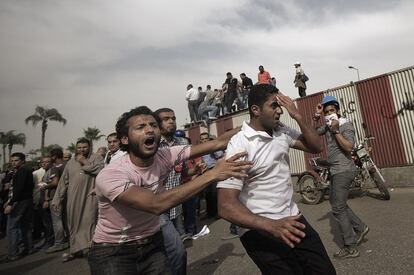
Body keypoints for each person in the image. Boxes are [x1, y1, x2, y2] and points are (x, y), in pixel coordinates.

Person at [88, 106, 251, 275]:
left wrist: (253, 122)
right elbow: (156, 204)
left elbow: (218, 142)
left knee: (178, 253)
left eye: (153, 125)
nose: (150, 129)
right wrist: (212, 174)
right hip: (114, 251)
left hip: (153, 243)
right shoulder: (112, 173)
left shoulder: (164, 155)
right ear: (124, 139)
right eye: (140, 127)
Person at [217, 84, 336, 274]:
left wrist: (297, 116)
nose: (280, 111)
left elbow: (315, 146)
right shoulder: (240, 144)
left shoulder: (281, 131)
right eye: (274, 106)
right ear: (256, 110)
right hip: (260, 230)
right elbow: (225, 206)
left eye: (280, 105)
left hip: (292, 219)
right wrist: (271, 226)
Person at [313, 95, 369, 259]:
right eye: (326, 111)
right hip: (335, 170)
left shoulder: (345, 124)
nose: (329, 113)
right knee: (337, 203)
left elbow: (349, 147)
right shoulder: (328, 125)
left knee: (337, 208)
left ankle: (351, 247)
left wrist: (336, 129)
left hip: (344, 170)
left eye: (332, 110)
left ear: (337, 110)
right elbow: (312, 133)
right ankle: (360, 227)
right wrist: (316, 117)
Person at [51, 138, 104, 262]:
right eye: (79, 147)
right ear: (76, 148)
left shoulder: (97, 158)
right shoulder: (70, 163)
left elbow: (101, 171)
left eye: (84, 147)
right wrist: (57, 199)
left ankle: (92, 250)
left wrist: (84, 161)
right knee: (73, 224)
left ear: (89, 147)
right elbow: (63, 182)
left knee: (89, 222)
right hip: (73, 199)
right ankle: (75, 250)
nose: (82, 150)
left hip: (90, 197)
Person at [155, 107, 189, 274]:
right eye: (166, 119)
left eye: (173, 118)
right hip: (157, 209)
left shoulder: (183, 144)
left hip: (175, 206)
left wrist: (198, 171)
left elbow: (183, 173)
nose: (171, 122)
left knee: (174, 253)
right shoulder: (152, 145)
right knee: (176, 251)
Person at [2, 153, 34, 262]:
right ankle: (29, 248)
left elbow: (19, 189)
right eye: (12, 161)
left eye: (16, 160)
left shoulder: (22, 171)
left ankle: (12, 254)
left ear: (22, 161)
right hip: (26, 200)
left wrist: (11, 203)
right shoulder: (23, 171)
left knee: (11, 227)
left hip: (21, 201)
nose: (13, 162)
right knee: (26, 226)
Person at [45, 148, 69, 253]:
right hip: (67, 196)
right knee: (66, 219)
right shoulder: (68, 165)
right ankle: (70, 239)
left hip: (56, 197)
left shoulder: (55, 168)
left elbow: (55, 182)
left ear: (54, 157)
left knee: (57, 221)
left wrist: (45, 186)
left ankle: (59, 243)